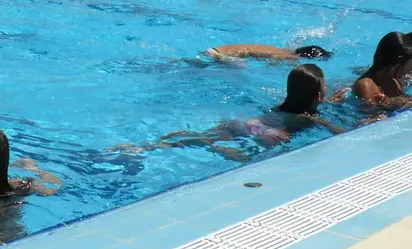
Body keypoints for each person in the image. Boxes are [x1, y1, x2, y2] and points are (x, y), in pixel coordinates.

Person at [108, 65, 343, 162]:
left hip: (249, 123)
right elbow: (339, 131)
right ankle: (215, 148)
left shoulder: (280, 104)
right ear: (320, 97)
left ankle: (148, 146)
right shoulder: (310, 118)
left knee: (199, 135)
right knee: (245, 158)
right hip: (271, 133)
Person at [341, 32, 412, 104]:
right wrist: (384, 105)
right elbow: (367, 113)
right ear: (396, 64)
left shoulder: (393, 80)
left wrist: (392, 102)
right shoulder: (366, 86)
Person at [206, 44, 332, 62]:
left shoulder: (285, 49)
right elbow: (273, 62)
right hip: (218, 54)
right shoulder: (290, 56)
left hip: (215, 49)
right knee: (241, 65)